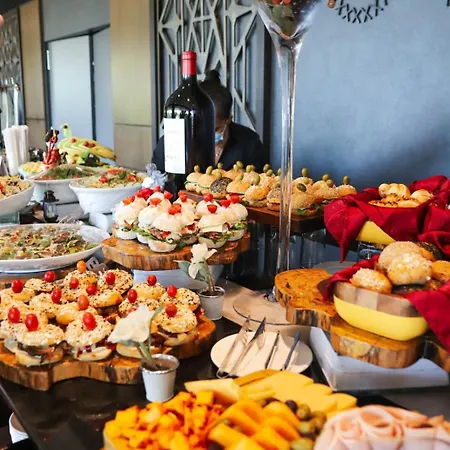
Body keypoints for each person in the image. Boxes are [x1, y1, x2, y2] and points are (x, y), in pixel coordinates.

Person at [153, 70, 268, 172]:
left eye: (214, 130)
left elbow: (261, 182)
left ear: (228, 119)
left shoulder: (249, 142)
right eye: (198, 128)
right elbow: (157, 181)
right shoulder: (171, 143)